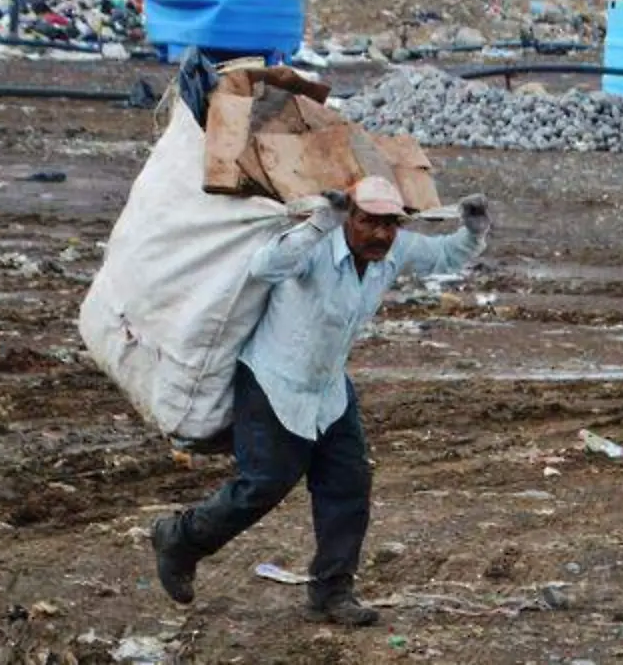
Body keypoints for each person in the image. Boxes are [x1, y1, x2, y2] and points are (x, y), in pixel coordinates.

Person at [150, 176, 492, 626]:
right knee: (263, 485)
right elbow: (264, 267)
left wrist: (473, 230)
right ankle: (180, 538)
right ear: (349, 218)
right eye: (370, 222)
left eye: (390, 224)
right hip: (273, 381)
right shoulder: (315, 245)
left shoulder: (393, 251)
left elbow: (445, 256)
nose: (381, 234)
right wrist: (318, 222)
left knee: (348, 485)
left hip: (328, 389)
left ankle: (332, 591)